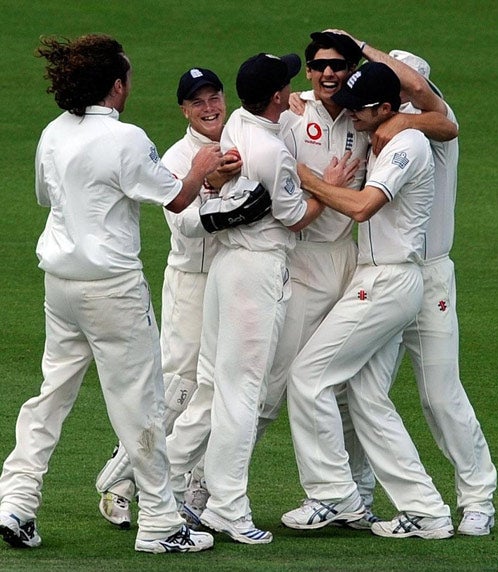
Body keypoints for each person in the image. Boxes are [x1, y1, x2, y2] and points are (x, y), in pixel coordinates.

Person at [0, 34, 224, 554]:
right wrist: (200, 168)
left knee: (51, 395)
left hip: (61, 287)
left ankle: (16, 501)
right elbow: (177, 197)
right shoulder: (126, 140)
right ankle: (161, 524)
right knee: (140, 403)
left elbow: (45, 195)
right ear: (116, 85)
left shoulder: (53, 132)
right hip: (113, 292)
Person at [256, 31, 459, 528]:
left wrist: (308, 179)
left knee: (308, 378)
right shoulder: (387, 129)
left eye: (360, 110)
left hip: (387, 280)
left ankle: (335, 496)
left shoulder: (406, 143)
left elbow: (365, 206)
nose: (352, 116)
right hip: (378, 276)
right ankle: (422, 510)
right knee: (365, 396)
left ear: (388, 107)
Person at [165, 52, 325, 544]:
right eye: (288, 86)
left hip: (225, 270)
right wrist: (330, 188)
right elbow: (295, 216)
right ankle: (227, 509)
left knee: (220, 387)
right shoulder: (272, 152)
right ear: (276, 96)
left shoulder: (237, 123)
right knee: (241, 393)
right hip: (255, 272)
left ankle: (164, 482)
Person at [95, 67, 262, 530]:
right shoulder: (175, 158)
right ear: (185, 110)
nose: (210, 108)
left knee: (217, 387)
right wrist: (218, 193)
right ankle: (119, 481)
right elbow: (186, 224)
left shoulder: (238, 139)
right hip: (192, 281)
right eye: (198, 102)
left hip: (231, 281)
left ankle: (194, 488)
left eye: (215, 97)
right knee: (178, 389)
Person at [347, 39, 496, 536]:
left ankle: (478, 498)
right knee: (364, 389)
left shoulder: (436, 126)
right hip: (384, 276)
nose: (403, 98)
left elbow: (423, 109)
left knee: (439, 393)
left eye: (410, 89)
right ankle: (363, 493)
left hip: (429, 276)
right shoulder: (376, 124)